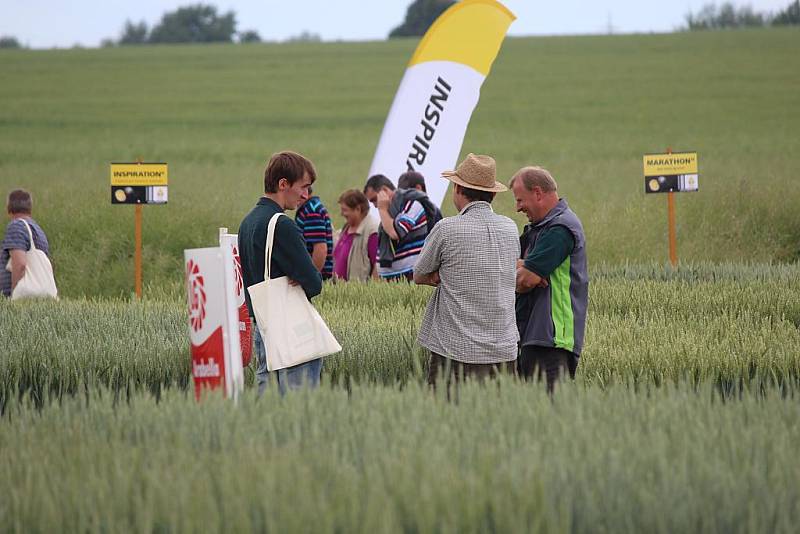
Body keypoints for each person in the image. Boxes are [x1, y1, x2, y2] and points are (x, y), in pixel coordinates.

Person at [414, 154, 520, 390]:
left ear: (458, 189)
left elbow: (419, 274)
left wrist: (441, 275)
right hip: (503, 348)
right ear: (492, 194)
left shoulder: (447, 229)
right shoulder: (510, 228)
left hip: (455, 350)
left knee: (448, 420)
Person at [238, 151, 324, 396]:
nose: (306, 195)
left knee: (268, 403)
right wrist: (298, 276)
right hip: (291, 329)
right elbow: (314, 283)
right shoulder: (282, 224)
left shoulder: (248, 222)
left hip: (263, 326)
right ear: (283, 184)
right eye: (303, 187)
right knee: (298, 410)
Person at [510, 166, 588, 394]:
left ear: (537, 193)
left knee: (548, 420)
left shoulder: (560, 228)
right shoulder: (541, 229)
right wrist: (524, 266)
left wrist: (526, 271)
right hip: (535, 335)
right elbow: (523, 273)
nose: (517, 208)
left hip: (551, 340)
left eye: (520, 200)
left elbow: (526, 281)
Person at [363, 174, 441, 281]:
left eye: (374, 200)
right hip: (396, 280)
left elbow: (394, 232)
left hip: (412, 278)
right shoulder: (391, 212)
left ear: (384, 190)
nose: (375, 205)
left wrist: (382, 209)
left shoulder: (413, 205)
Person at [2, 189, 51, 298]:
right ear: (30, 208)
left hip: (21, 298)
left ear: (9, 208)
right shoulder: (38, 231)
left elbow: (20, 264)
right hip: (39, 296)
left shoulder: (16, 226)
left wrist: (14, 294)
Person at [332, 189, 379, 281]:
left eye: (345, 210)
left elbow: (377, 266)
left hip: (358, 292)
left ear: (358, 209)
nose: (342, 214)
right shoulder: (346, 229)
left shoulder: (372, 231)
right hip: (340, 290)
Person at [295, 187, 334, 280]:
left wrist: (310, 277)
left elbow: (320, 249)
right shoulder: (311, 208)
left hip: (317, 277)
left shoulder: (311, 211)